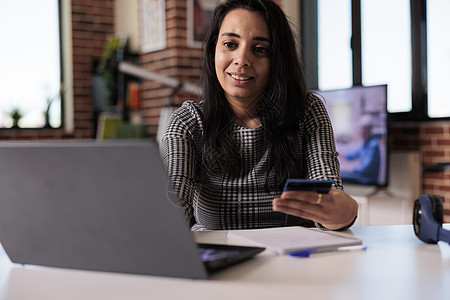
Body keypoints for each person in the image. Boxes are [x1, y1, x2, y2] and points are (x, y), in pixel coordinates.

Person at [160, 0, 358, 231]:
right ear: (214, 49)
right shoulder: (188, 122)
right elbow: (171, 207)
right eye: (230, 44)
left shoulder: (307, 111)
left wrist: (344, 212)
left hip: (294, 260)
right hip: (220, 261)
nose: (242, 60)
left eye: (260, 49)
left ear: (277, 59)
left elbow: (328, 195)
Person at [340, 115, 381, 185]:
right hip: (361, 176)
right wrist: (336, 152)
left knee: (340, 176)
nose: (362, 131)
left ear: (370, 130)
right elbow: (351, 155)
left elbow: (365, 169)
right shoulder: (363, 143)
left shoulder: (374, 145)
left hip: (367, 180)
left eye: (365, 129)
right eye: (361, 129)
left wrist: (350, 169)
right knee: (340, 173)